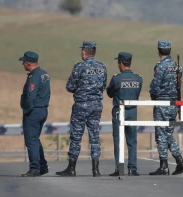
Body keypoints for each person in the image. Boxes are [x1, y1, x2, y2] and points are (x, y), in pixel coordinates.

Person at [56, 41, 107, 177]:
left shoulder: (79, 67)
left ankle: (71, 168)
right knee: (95, 137)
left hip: (81, 106)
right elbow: (103, 86)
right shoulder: (102, 67)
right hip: (96, 106)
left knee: (76, 137)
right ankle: (95, 169)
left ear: (84, 52)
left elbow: (70, 87)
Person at [148, 40, 183, 176]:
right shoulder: (177, 66)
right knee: (168, 133)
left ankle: (164, 165)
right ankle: (179, 162)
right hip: (174, 103)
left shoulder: (161, 66)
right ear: (169, 50)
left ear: (158, 50)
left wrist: (153, 96)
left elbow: (155, 85)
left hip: (162, 102)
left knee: (161, 134)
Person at [106, 52, 143, 176]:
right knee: (132, 140)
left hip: (119, 111)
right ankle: (133, 168)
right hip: (133, 111)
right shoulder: (138, 78)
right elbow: (137, 93)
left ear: (121, 63)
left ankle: (119, 168)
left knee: (118, 140)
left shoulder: (117, 78)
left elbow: (110, 93)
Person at [19, 51, 51, 177]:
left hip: (34, 111)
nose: (22, 64)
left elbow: (30, 97)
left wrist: (26, 112)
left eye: (23, 62)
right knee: (35, 139)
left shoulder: (34, 77)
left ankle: (35, 168)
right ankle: (42, 166)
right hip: (43, 109)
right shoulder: (44, 74)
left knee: (31, 140)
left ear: (28, 63)